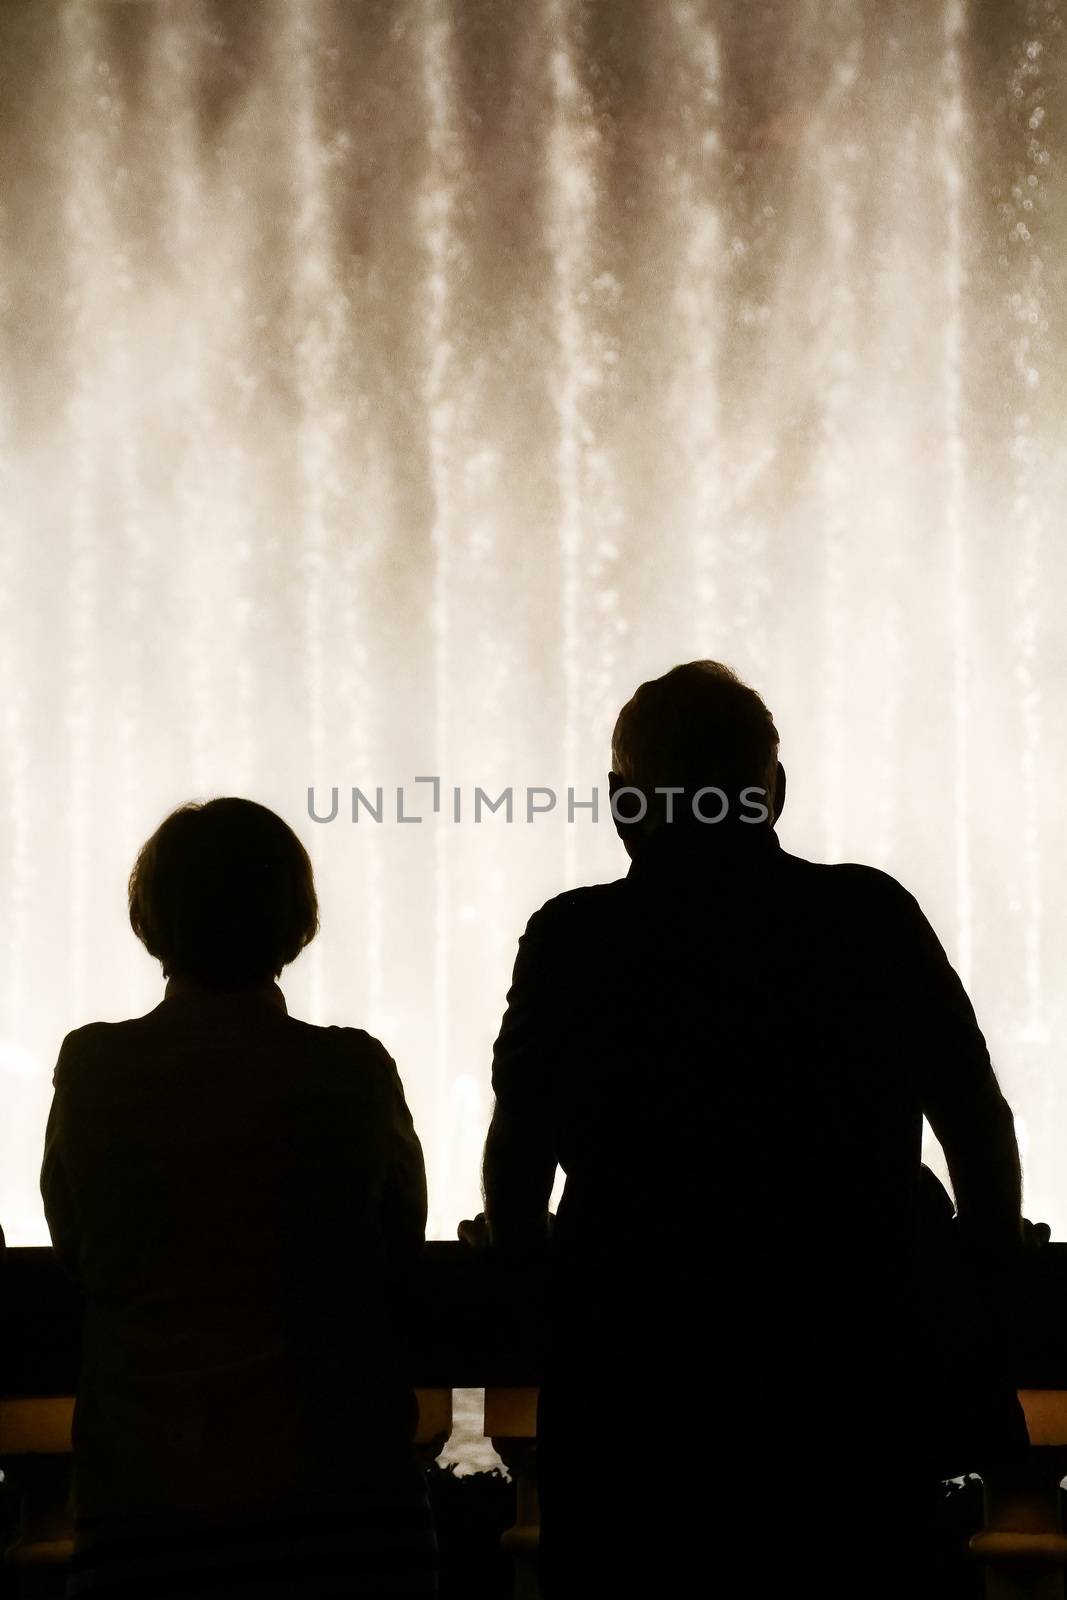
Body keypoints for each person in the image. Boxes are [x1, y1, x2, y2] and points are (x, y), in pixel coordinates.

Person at [471, 660, 1029, 1598]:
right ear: (771, 791)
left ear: (620, 801)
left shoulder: (575, 940)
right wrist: (982, 1282)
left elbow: (519, 1151)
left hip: (637, 1380)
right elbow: (975, 1121)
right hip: (851, 1382)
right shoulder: (867, 918)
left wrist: (524, 1270)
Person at [41, 798, 435, 1598]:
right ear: (296, 918)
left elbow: (76, 1244)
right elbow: (399, 1241)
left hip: (147, 1510)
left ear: (149, 917)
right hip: (344, 1509)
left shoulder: (93, 1071)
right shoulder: (352, 1073)